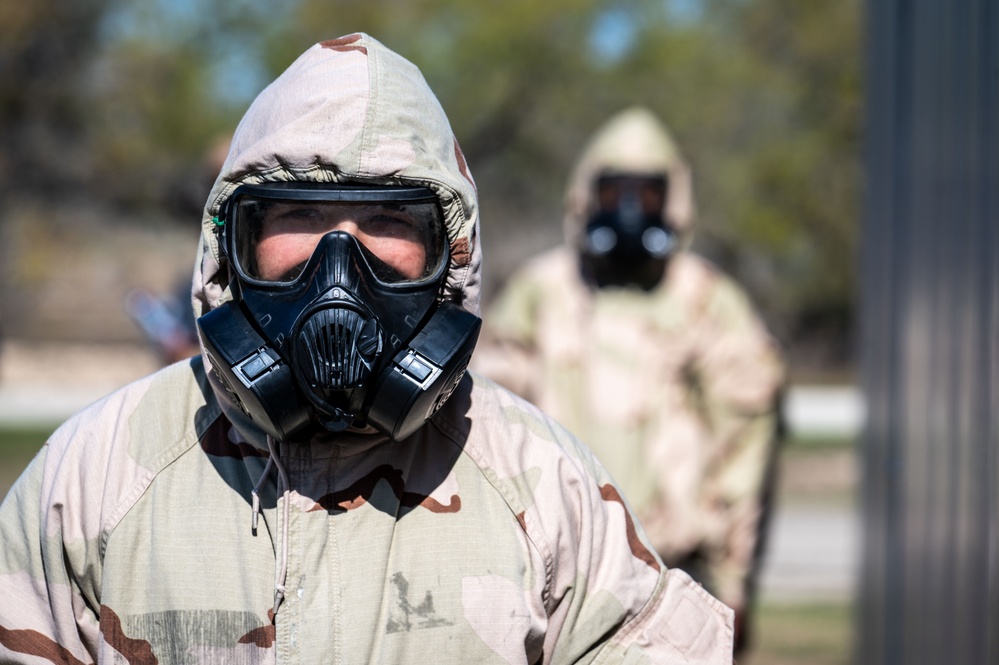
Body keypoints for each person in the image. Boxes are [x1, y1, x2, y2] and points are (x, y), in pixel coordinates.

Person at [0, 36, 734, 663]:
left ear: (448, 254)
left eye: (388, 217)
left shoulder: (546, 488)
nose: (338, 264)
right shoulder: (91, 481)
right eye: (296, 212)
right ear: (232, 243)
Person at [473, 106, 786, 655]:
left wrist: (733, 579)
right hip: (557, 563)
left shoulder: (708, 300)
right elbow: (485, 420)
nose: (627, 212)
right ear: (585, 196)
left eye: (646, 197)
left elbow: (746, 438)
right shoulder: (541, 292)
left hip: (676, 569)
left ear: (675, 201)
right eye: (614, 194)